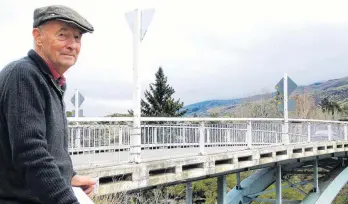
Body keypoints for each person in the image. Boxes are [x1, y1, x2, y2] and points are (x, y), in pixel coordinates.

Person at [0, 5, 96, 204]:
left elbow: (48, 148)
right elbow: (31, 155)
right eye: (63, 35)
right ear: (38, 36)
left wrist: (68, 176)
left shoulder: (50, 80)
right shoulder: (24, 75)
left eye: (77, 37)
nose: (72, 45)